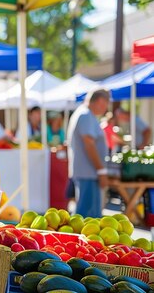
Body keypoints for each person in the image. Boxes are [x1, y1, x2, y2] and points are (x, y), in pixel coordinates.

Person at [66, 89, 110, 218]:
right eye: (106, 103)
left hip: (88, 172)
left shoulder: (84, 114)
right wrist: (101, 171)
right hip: (89, 173)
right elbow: (89, 144)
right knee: (88, 217)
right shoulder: (85, 115)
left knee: (87, 216)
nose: (106, 107)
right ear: (100, 101)